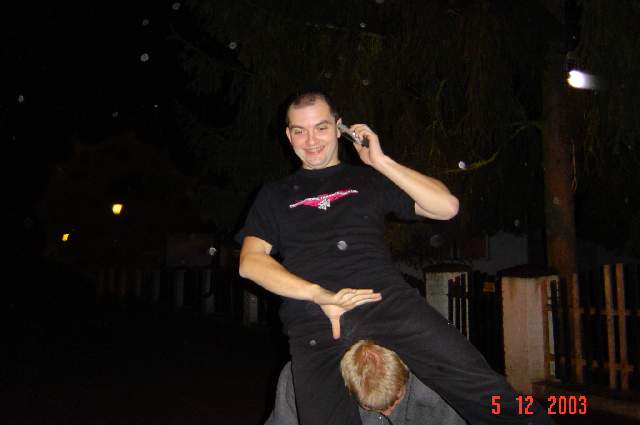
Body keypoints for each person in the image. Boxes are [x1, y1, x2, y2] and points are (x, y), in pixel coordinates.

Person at [237, 91, 552, 424]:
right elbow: (250, 262)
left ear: (339, 128)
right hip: (314, 317)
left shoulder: (368, 179)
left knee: (484, 388)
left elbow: (446, 207)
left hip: (385, 301)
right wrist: (318, 294)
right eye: (300, 131)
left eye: (321, 127)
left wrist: (381, 161)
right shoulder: (274, 196)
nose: (311, 140)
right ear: (288, 136)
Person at [264, 340, 467, 425]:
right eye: (368, 407)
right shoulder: (303, 379)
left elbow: (489, 404)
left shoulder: (441, 384)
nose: (386, 413)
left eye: (395, 400)